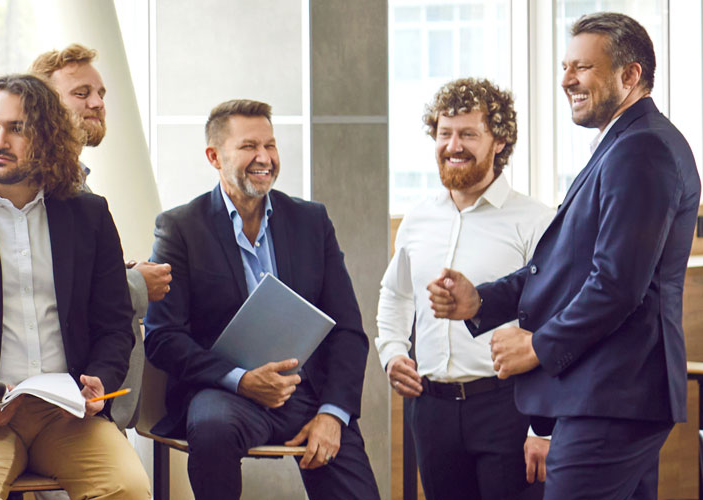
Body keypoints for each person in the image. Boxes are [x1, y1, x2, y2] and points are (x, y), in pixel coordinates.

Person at [428, 13, 697, 499]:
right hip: (613, 397)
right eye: (564, 65)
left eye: (582, 67)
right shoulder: (621, 145)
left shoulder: (642, 150)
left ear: (630, 75)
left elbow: (616, 285)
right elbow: (566, 269)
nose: (566, 79)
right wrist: (481, 303)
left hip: (610, 398)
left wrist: (536, 347)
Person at [0, 74, 150, 500]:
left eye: (18, 129)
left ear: (48, 138)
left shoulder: (89, 215)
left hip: (69, 416)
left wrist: (100, 384)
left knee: (127, 487)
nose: (0, 140)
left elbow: (114, 323)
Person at [142, 99, 379, 500]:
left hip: (306, 394)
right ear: (214, 156)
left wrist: (333, 413)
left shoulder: (311, 221)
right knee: (212, 426)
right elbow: (163, 337)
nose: (264, 158)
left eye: (270, 145)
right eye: (250, 146)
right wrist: (242, 381)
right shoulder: (180, 228)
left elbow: (348, 330)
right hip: (224, 392)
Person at [375, 78, 551, 500]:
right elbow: (396, 294)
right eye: (444, 133)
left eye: (469, 134)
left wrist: (543, 427)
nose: (453, 145)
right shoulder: (417, 220)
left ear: (500, 141)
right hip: (431, 409)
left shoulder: (535, 221)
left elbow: (553, 321)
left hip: (507, 407)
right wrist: (393, 351)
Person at [29, 43, 172, 311]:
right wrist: (137, 283)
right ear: (42, 105)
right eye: (82, 93)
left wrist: (119, 270)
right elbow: (57, 292)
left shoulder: (77, 178)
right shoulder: (36, 186)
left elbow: (82, 269)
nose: (97, 103)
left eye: (100, 93)